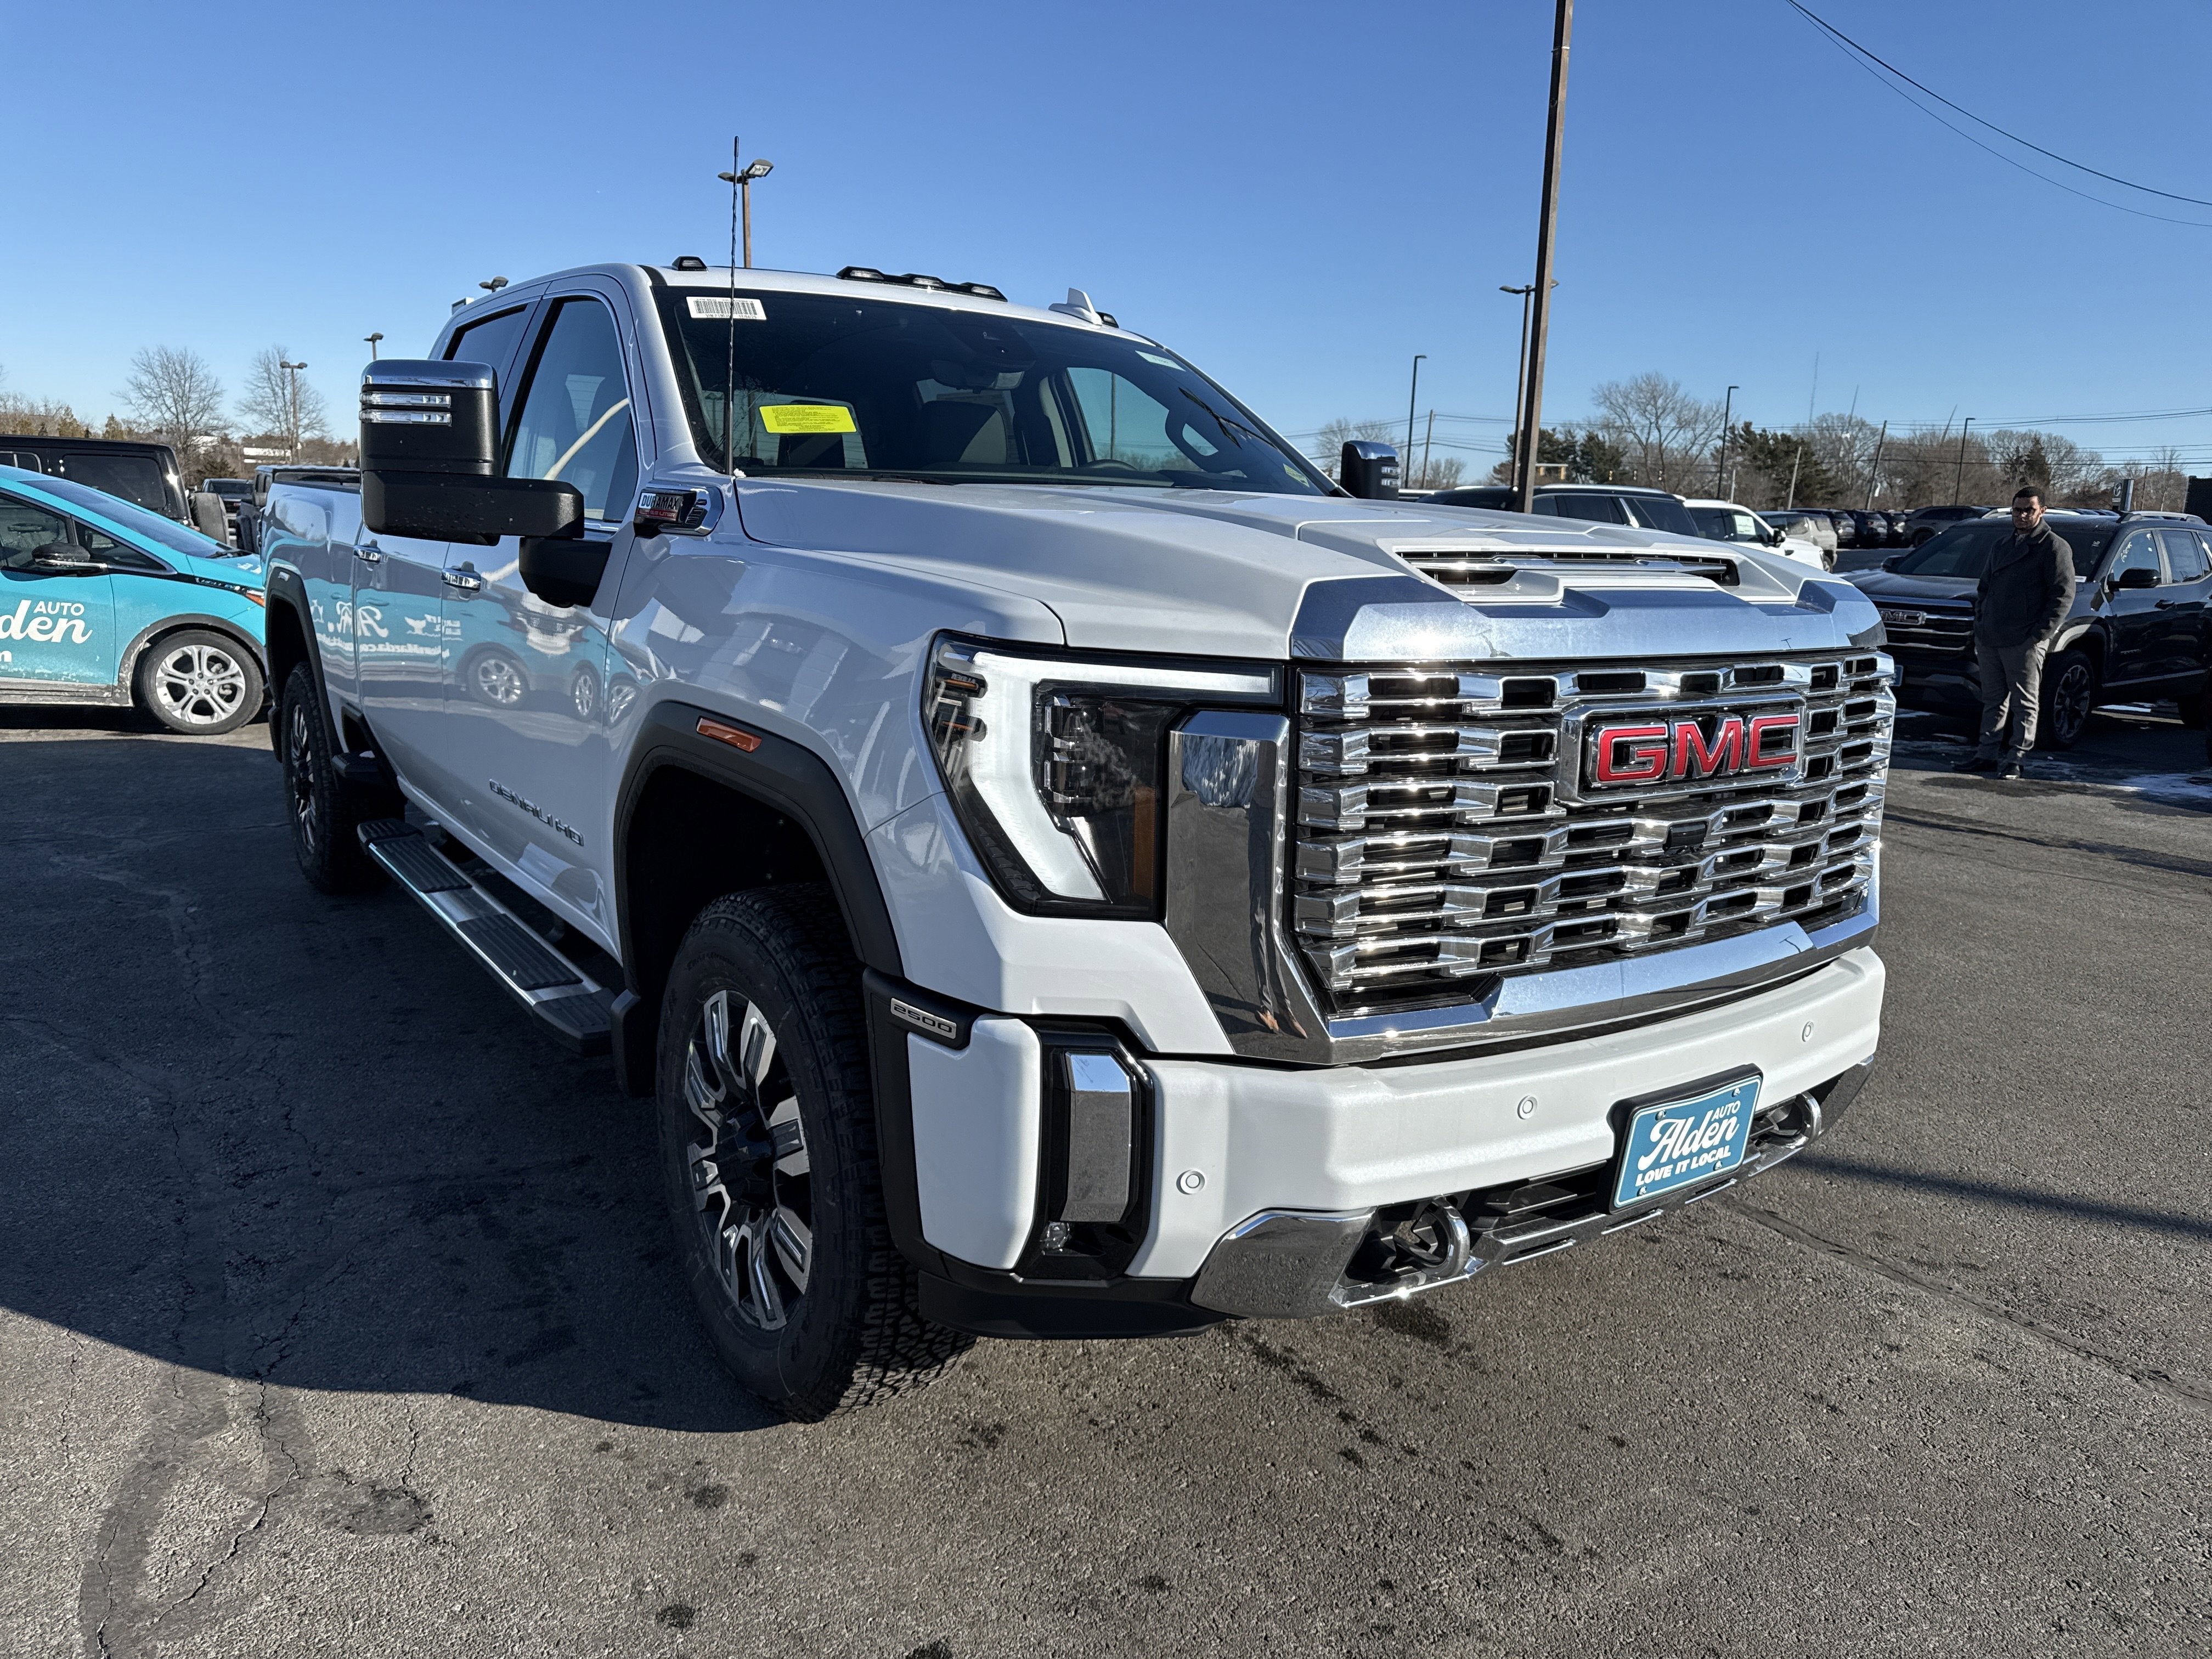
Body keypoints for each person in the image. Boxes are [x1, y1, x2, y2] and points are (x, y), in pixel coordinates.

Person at [1953, 486, 2074, 780]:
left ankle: (2016, 759)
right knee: (1993, 700)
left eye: (2029, 510)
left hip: (2025, 640)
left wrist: (2038, 635)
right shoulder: (2002, 545)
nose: (2022, 516)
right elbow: (1985, 588)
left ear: (2042, 511)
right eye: (2017, 510)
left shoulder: (2054, 547)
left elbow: (2063, 596)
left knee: (2025, 703)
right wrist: (1981, 624)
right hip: (1991, 636)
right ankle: (1986, 753)